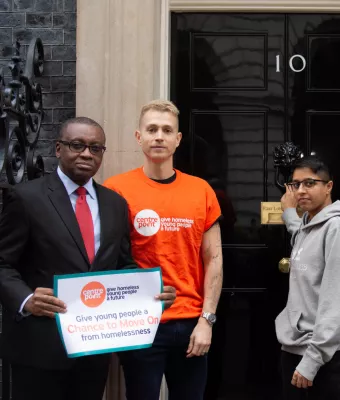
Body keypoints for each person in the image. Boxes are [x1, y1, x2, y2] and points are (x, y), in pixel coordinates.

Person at [0, 117, 176, 400]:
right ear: (58, 149)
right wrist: (25, 299)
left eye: (95, 148)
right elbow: (3, 263)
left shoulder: (114, 204)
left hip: (93, 350)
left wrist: (149, 294)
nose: (86, 154)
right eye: (77, 145)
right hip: (40, 347)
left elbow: (122, 265)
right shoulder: (26, 198)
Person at [103, 99, 223, 400]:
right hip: (139, 322)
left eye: (167, 130)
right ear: (138, 136)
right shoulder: (116, 188)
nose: (159, 136)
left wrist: (206, 321)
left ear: (178, 139)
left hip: (189, 323)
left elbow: (214, 259)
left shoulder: (201, 190)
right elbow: (108, 258)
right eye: (152, 129)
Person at [277, 155, 340, 400]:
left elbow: (337, 301)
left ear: (329, 187)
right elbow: (302, 238)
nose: (301, 191)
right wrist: (289, 215)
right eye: (296, 185)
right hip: (299, 345)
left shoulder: (338, 229)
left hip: (327, 354)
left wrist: (312, 361)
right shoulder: (309, 224)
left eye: (309, 183)